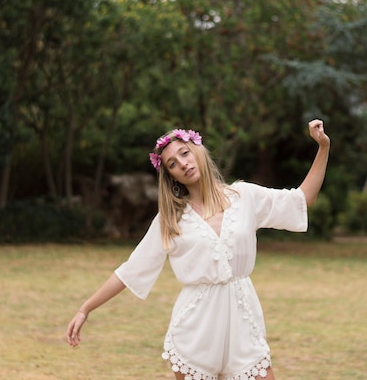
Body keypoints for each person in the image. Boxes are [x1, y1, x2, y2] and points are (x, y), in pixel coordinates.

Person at [67, 119, 330, 380]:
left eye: (184, 153)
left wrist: (322, 148)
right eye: (172, 163)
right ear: (170, 175)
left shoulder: (244, 197)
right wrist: (85, 308)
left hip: (243, 320)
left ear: (198, 150)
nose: (182, 163)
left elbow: (302, 199)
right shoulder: (171, 220)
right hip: (197, 328)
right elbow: (130, 270)